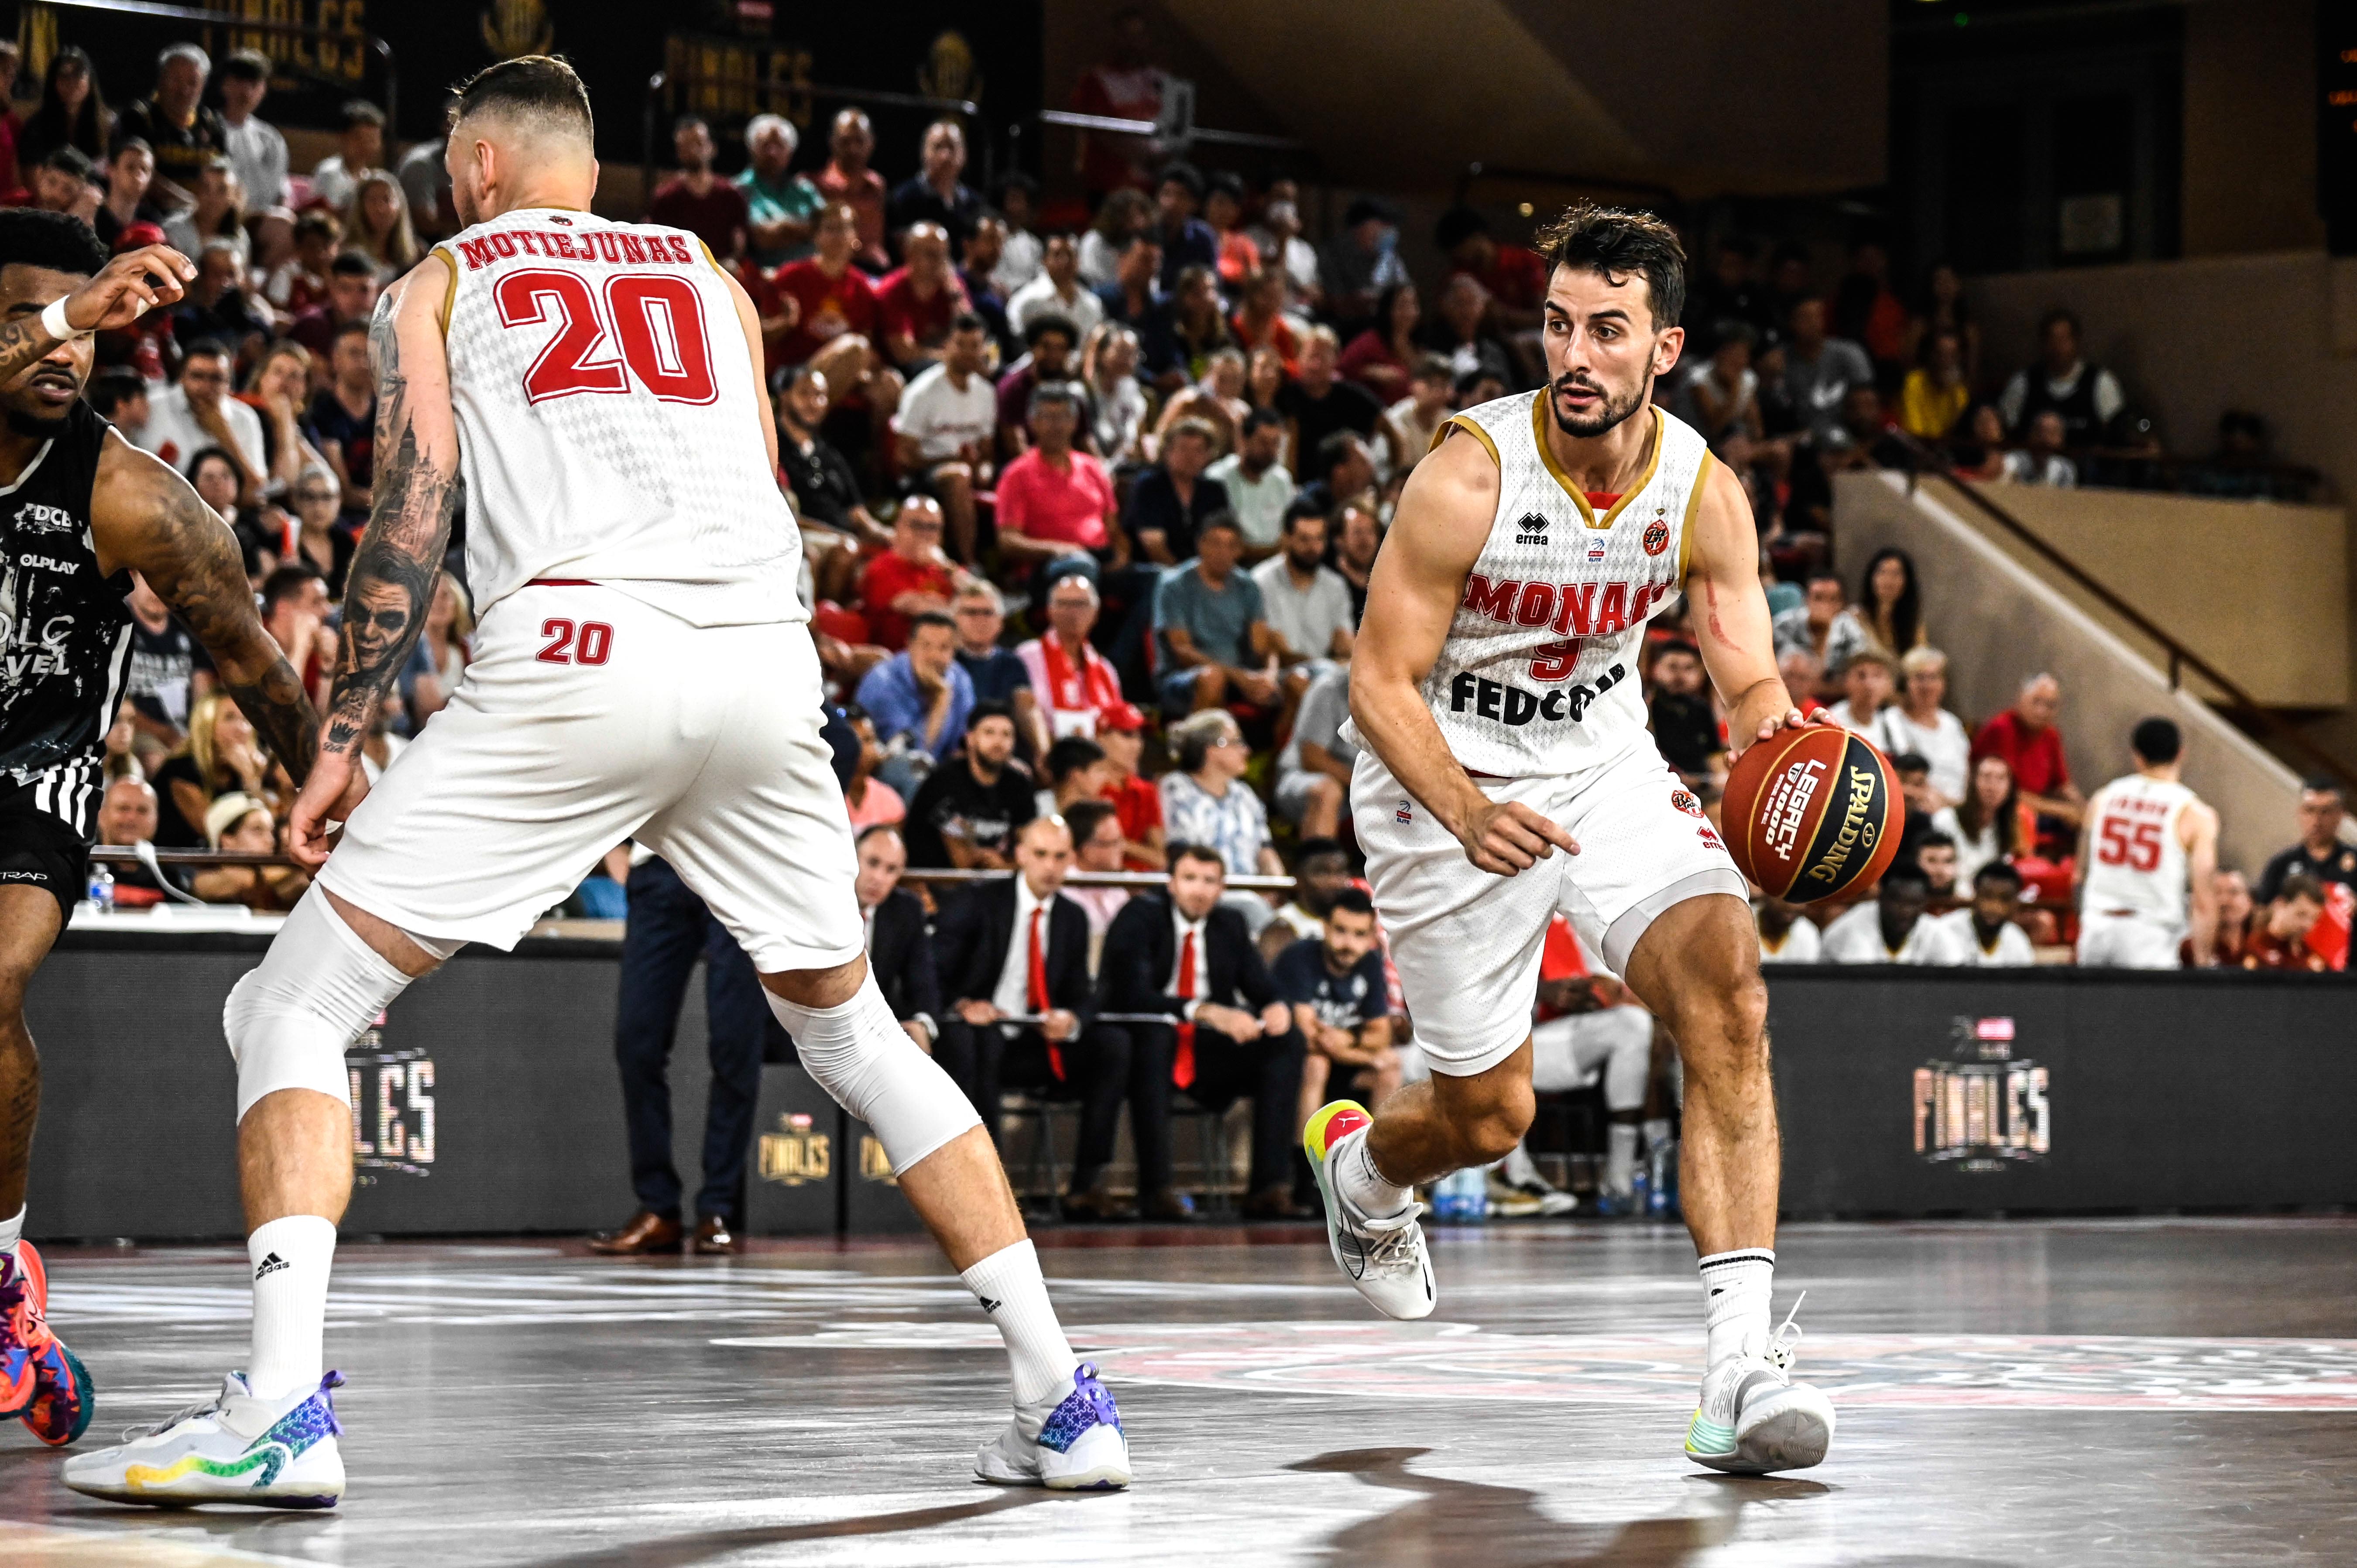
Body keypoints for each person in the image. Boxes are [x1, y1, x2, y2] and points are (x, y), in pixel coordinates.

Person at [64, 62, 1130, 1506]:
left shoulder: (444, 275)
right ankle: (1063, 1399)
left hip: (580, 650)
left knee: (291, 1001)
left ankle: (277, 1410)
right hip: (761, 659)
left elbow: (417, 504)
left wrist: (342, 737)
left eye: (453, 160)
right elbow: (768, 493)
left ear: (487, 162)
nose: (449, 184)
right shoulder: (711, 277)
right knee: (857, 1035)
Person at [1315, 202, 1839, 1476]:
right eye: (1558, 326)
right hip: (1441, 778)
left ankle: (1736, 1372)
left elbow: (1748, 682)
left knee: (1728, 994)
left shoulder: (1702, 491)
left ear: (1664, 347)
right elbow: (1378, 683)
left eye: (1608, 331)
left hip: (1601, 764)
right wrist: (1467, 810)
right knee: (1491, 1115)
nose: (1576, 355)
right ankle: (1366, 1175)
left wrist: (1795, 771)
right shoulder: (1467, 475)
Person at [0, 213, 312, 1455]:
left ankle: (2, 1276)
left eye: (79, 324)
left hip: (37, 766)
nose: (63, 348)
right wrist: (74, 308)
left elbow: (256, 662)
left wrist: (336, 794)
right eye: (31, 319)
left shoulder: (130, 493)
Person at [931, 817, 1130, 1219]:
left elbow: (1082, 992)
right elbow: (932, 972)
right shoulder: (980, 901)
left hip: (1035, 1039)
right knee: (981, 1042)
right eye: (1040, 855)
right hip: (980, 1035)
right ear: (1020, 855)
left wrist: (1072, 1018)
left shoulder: (1072, 916)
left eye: (1060, 857)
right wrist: (963, 1005)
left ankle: (1086, 1185)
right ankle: (993, 1189)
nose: (1050, 867)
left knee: (1113, 1045)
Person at [586, 843, 772, 1259]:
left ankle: (717, 1208)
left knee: (735, 1043)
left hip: (738, 866)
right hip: (660, 866)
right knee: (637, 1041)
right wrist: (614, 846)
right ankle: (658, 1207)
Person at [1101, 844, 1307, 1221]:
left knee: (1287, 1041)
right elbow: (1129, 994)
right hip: (1150, 1046)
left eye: (1209, 881)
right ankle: (1156, 1190)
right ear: (1171, 884)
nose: (1199, 890)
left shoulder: (1229, 924)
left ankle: (1269, 1187)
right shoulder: (1140, 917)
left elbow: (1262, 985)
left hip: (1211, 1053)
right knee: (1156, 1038)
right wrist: (1202, 1011)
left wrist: (1277, 1006)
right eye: (1190, 879)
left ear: (1221, 887)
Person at [1528, 917, 1657, 1209]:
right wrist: (1541, 992)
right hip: (1491, 1041)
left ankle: (1619, 1179)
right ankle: (1512, 1179)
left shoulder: (1568, 915)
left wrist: (1587, 998)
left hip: (1550, 1038)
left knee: (1633, 1023)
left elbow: (1603, 985)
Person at [2075, 717, 2220, 970]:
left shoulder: (2102, 798)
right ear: (2181, 753)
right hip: (2149, 934)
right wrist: (2203, 960)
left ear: (2136, 755)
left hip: (2097, 927)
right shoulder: (2194, 812)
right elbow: (2203, 899)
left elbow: (2080, 873)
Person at [1277, 889, 1399, 1140]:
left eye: (1359, 934)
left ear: (1371, 938)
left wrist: (1348, 1040)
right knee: (1317, 1064)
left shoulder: (1371, 963)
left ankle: (1375, 1161)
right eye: (1340, 930)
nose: (1348, 943)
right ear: (1325, 927)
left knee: (1391, 1066)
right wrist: (1358, 1050)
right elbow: (1310, 1038)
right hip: (1293, 1062)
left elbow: (1381, 1034)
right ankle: (1306, 1168)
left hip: (1343, 1060)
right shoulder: (1299, 957)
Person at [890, 311, 994, 560]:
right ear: (946, 346)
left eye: (975, 346)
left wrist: (984, 469)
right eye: (961, 345)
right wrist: (951, 460)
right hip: (924, 475)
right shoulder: (922, 392)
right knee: (958, 476)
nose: (968, 353)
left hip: (968, 470)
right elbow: (903, 457)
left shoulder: (986, 393)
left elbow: (988, 451)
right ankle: (969, 564)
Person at [1153, 514, 1279, 716]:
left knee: (1298, 683)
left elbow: (1263, 647)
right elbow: (1182, 651)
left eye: (1232, 546)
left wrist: (1269, 676)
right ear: (1200, 544)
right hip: (1184, 678)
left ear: (1240, 550)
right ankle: (1198, 744)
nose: (1223, 553)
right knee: (1213, 678)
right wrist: (1239, 677)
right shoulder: (1174, 586)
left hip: (1240, 676)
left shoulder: (1248, 587)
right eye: (1215, 544)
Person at [1158, 709, 1283, 894]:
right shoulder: (1177, 789)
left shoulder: (1245, 795)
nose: (1246, 750)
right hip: (1201, 893)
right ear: (1212, 749)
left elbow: (1266, 853)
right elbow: (1180, 853)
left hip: (1250, 895)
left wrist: (1276, 888)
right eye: (1237, 742)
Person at [903, 701, 1036, 871]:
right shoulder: (943, 782)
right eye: (989, 733)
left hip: (999, 882)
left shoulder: (1020, 784)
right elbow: (964, 862)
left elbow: (1031, 846)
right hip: (940, 881)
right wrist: (1002, 865)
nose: (999, 742)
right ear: (970, 739)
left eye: (1007, 734)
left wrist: (1007, 865)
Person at [993, 382, 1115, 566]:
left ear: (1075, 422)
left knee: (1161, 579)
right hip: (1051, 565)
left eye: (1064, 417)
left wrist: (1122, 556)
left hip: (1102, 558)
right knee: (1079, 564)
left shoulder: (1093, 468)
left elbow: (1114, 528)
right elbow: (1008, 541)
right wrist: (1058, 550)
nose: (1056, 426)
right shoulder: (1017, 475)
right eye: (1048, 417)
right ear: (1032, 422)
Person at [856, 610, 975, 790]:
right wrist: (941, 699)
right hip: (884, 772)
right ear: (910, 645)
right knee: (916, 771)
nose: (935, 656)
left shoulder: (960, 679)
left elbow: (964, 743)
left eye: (944, 648)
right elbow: (916, 752)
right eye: (926, 646)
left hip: (939, 770)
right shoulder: (883, 681)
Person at [1972, 673, 2084, 856]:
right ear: (2021, 699)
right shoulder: (2002, 729)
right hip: (2003, 809)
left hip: (2039, 811)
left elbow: (2064, 785)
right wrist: (2063, 811)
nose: (2041, 711)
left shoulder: (2051, 735)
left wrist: (2085, 811)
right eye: (2036, 702)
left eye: (2050, 705)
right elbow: (2007, 794)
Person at [852, 825, 940, 1047]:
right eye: (872, 863)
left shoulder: (906, 910)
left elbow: (922, 979)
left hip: (874, 1029)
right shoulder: (821, 901)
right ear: (851, 857)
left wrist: (923, 1024)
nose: (879, 878)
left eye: (891, 870)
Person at [1997, 308, 2126, 446]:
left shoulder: (2101, 382)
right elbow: (2006, 430)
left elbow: (2116, 433)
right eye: (2052, 340)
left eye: (2064, 340)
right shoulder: (2023, 382)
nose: (2058, 348)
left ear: (2076, 342)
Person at [115, 44, 226, 200]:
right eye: (176, 80)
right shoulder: (139, 118)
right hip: (150, 215)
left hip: (202, 216)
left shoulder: (212, 124)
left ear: (203, 86)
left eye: (193, 82)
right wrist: (189, 203)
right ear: (161, 80)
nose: (184, 90)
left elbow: (224, 175)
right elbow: (137, 176)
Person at [1251, 505, 1355, 667]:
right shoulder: (1262, 581)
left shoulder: (1335, 585)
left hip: (1326, 671)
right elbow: (1274, 646)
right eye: (1305, 539)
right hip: (1280, 673)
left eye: (1319, 539)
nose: (1313, 548)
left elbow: (1344, 640)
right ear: (1286, 538)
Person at [858, 496, 968, 651]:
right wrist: (965, 613)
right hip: (897, 660)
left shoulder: (945, 568)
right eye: (917, 525)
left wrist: (946, 567)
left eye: (933, 527)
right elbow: (919, 609)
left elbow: (984, 597)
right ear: (898, 526)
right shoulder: (881, 568)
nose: (925, 534)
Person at [950, 583, 1046, 759]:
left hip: (1004, 752)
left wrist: (1042, 751)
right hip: (954, 751)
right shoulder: (946, 660)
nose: (980, 620)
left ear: (1000, 622)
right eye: (971, 612)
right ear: (954, 619)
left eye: (988, 613)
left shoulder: (1012, 663)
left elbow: (1027, 707)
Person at [1127, 418, 1228, 567]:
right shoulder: (1150, 486)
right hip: (1155, 569)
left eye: (1199, 450)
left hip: (1206, 571)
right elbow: (1154, 544)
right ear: (1167, 451)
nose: (1190, 457)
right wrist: (1186, 578)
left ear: (1209, 455)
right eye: (1183, 449)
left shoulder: (1214, 490)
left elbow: (1221, 538)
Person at [646, 115, 746, 264]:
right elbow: (656, 245)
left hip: (722, 273)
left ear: (712, 148)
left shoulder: (730, 195)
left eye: (698, 143)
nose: (693, 150)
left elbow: (739, 246)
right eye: (685, 146)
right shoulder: (666, 197)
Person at [1880, 647, 1971, 806]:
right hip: (1919, 807)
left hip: (1959, 810)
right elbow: (1908, 774)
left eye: (1933, 678)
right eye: (1920, 678)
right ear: (1906, 683)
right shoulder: (1893, 719)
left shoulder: (1952, 723)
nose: (1927, 686)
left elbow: (1967, 772)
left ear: (1943, 684)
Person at [1820, 866, 1965, 964]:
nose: (1904, 911)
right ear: (1881, 898)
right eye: (1897, 900)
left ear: (1924, 905)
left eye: (1913, 903)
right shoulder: (1853, 929)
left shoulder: (1934, 931)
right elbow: (1863, 990)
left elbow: (1955, 979)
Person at [886, 120, 981, 260]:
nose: (945, 156)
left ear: (964, 155)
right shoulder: (902, 199)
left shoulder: (974, 203)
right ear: (924, 152)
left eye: (952, 147)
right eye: (938, 147)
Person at [2253, 780, 2357, 907]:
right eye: (2310, 810)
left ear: (2341, 814)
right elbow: (2260, 915)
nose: (2317, 820)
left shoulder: (2354, 859)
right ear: (2300, 813)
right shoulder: (2281, 864)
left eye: (2326, 812)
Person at [736, 113, 820, 269]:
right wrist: (803, 230)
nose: (772, 153)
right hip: (761, 278)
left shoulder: (805, 190)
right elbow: (762, 239)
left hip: (809, 274)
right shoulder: (740, 190)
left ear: (791, 151)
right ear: (751, 148)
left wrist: (781, 227)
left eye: (779, 145)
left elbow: (823, 230)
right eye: (765, 145)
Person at [1206, 408, 1293, 553]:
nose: (1270, 450)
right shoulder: (1217, 479)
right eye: (1263, 442)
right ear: (1244, 440)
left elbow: (1288, 533)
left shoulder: (1282, 480)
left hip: (1276, 563)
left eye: (1275, 443)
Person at [814, 109, 890, 273]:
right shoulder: (815, 185)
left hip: (873, 272)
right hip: (830, 271)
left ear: (871, 143)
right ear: (833, 142)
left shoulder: (877, 186)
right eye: (845, 141)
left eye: (860, 141)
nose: (853, 149)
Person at [1933, 753, 2020, 890]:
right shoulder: (1945, 820)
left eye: (2001, 779)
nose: (1992, 786)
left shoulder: (2005, 827)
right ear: (1972, 781)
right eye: (1986, 777)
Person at [1095, 704, 1165, 870]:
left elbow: (1161, 859)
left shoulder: (1147, 790)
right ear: (1101, 738)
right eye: (1127, 735)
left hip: (1143, 886)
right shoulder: (1087, 787)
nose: (1137, 745)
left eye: (1139, 737)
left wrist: (1121, 844)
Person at [1648, 640, 1724, 787]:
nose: (1680, 676)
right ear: (1656, 669)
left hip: (1701, 786)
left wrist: (1719, 779)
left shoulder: (1701, 709)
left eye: (1689, 668)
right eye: (1673, 667)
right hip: (1658, 784)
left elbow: (1714, 754)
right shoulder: (1645, 705)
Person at [17, 48, 108, 170]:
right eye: (64, 76)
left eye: (78, 74)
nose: (71, 82)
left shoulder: (108, 126)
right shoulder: (36, 128)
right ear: (53, 82)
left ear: (90, 80)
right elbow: (33, 177)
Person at [1007, 231, 1103, 344]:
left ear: (1079, 260)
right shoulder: (1025, 301)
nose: (1065, 261)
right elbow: (1018, 341)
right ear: (1044, 260)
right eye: (1057, 255)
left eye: (1070, 255)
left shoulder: (1092, 305)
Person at [1938, 861, 2035, 966]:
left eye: (2005, 899)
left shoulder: (2017, 939)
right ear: (1975, 893)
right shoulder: (1945, 931)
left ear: (2016, 902)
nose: (1994, 907)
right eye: (1987, 896)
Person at [304, 99, 383, 215]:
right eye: (359, 138)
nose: (366, 146)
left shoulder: (370, 178)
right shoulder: (329, 173)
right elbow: (326, 218)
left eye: (372, 140)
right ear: (343, 138)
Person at [2240, 875, 2331, 972]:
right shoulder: (2253, 949)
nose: (2307, 925)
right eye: (2301, 914)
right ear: (2281, 904)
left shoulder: (2315, 960)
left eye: (2314, 919)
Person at [2002, 410, 2076, 486]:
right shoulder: (2010, 461)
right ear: (2031, 434)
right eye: (2041, 431)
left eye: (2052, 433)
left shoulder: (2065, 468)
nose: (2046, 438)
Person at [1754, 898, 1820, 963]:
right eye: (1785, 897)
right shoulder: (1746, 919)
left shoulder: (1808, 932)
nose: (1791, 905)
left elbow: (1808, 972)